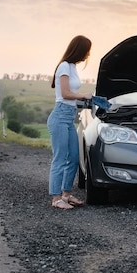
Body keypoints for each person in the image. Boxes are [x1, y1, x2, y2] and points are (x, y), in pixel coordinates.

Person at [47, 35, 93, 209]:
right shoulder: (64, 66)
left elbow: (71, 95)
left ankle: (66, 195)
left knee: (73, 157)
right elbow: (66, 94)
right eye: (87, 50)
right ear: (79, 49)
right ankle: (56, 199)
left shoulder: (72, 67)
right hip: (59, 117)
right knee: (60, 159)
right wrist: (83, 95)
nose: (88, 54)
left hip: (68, 118)